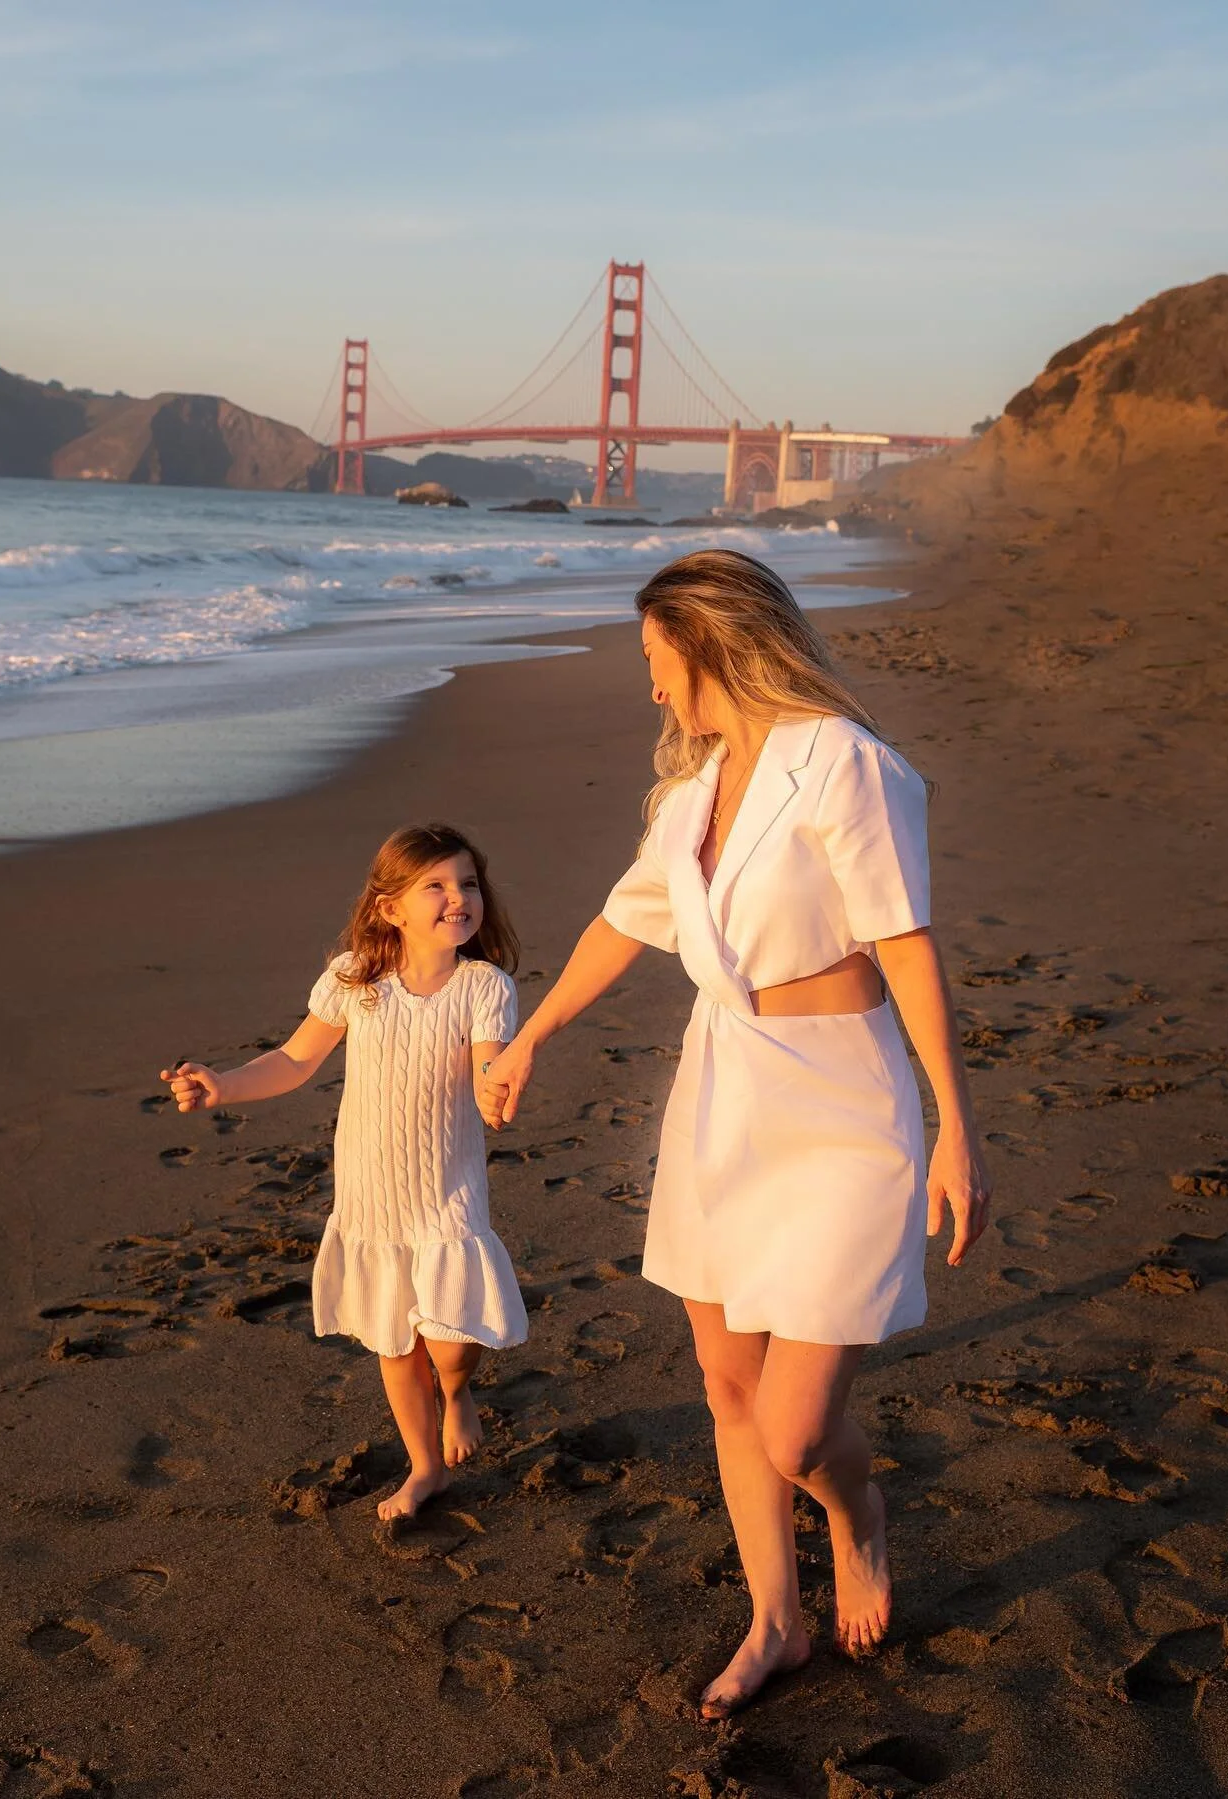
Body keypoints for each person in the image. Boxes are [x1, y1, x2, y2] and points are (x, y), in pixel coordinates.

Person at [482, 550, 992, 1718]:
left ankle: (856, 1516)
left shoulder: (849, 766)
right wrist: (531, 1038)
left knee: (800, 1424)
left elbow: (907, 946)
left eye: (658, 661)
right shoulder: (687, 796)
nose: (652, 689)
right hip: (723, 1094)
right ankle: (777, 1617)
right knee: (726, 1382)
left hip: (844, 1108)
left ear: (711, 645)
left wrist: (956, 1124)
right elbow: (625, 922)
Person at [162, 822, 528, 1521]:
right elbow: (295, 1060)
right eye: (438, 886)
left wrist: (493, 1086)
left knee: (450, 1344)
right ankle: (424, 1469)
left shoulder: (485, 985)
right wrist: (223, 1086)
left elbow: (489, 1061)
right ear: (391, 907)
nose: (459, 898)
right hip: (372, 1195)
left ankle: (457, 1393)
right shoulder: (353, 980)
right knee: (395, 1341)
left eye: (469, 883)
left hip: (448, 1190)